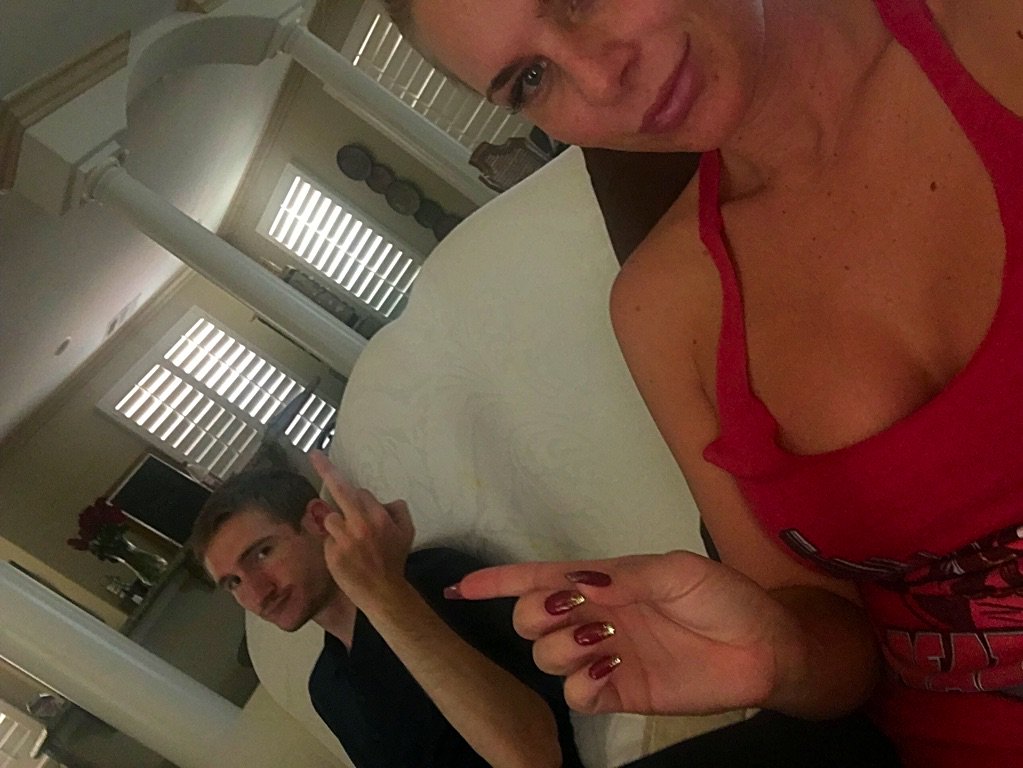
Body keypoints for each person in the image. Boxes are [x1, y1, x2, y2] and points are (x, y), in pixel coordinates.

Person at [379, 0, 1023, 766]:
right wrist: (777, 650)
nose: (599, 78)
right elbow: (839, 651)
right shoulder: (663, 308)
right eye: (530, 79)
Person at [191, 452, 582, 768]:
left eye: (262, 553)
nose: (258, 593)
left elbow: (533, 757)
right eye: (234, 583)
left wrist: (383, 593)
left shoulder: (438, 579)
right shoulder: (326, 687)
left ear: (319, 521)